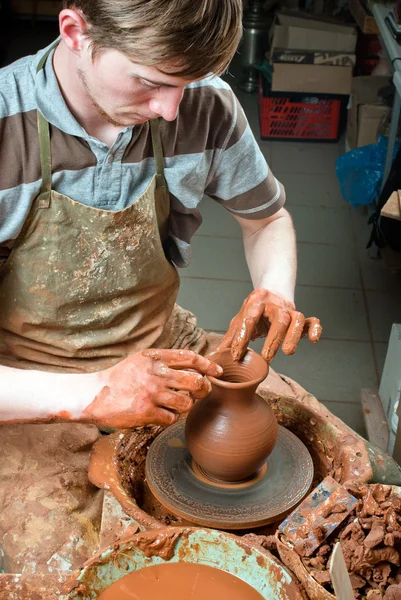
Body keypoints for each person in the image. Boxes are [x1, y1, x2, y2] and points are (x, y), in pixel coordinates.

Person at [0, 0, 321, 577]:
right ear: (76, 32)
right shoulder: (5, 123)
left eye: (188, 83)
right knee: (70, 573)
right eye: (150, 81)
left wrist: (277, 289)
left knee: (336, 479)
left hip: (165, 345)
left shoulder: (204, 103)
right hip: (26, 384)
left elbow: (266, 220)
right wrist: (93, 392)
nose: (171, 109)